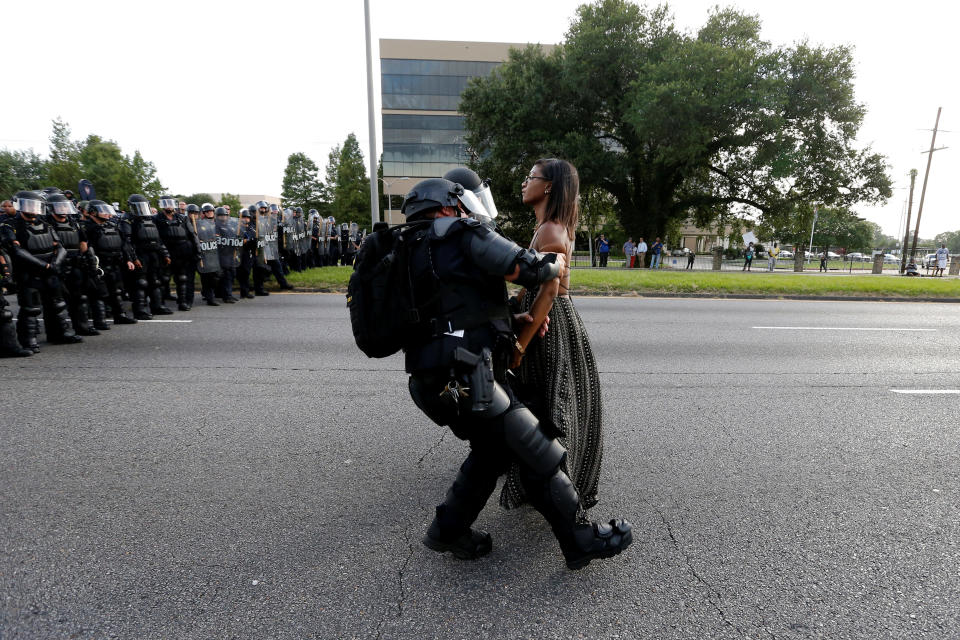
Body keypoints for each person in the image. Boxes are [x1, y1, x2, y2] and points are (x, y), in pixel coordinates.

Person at [399, 176, 632, 570]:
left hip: (429, 379)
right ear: (446, 205)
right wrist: (557, 261)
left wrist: (508, 316)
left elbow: (450, 306)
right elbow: (528, 266)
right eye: (460, 203)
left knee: (492, 451)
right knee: (537, 449)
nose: (464, 210)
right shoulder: (457, 234)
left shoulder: (410, 247)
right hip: (470, 375)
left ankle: (447, 530)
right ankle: (578, 539)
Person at [504, 157, 606, 510]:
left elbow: (548, 291)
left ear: (548, 186)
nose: (524, 182)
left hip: (551, 322)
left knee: (547, 404)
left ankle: (552, 485)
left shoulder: (550, 230)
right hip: (545, 316)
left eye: (530, 177)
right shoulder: (549, 227)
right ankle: (545, 478)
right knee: (546, 402)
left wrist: (520, 343)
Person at [1, 191, 83, 351]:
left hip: (50, 270)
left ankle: (60, 333)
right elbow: (17, 251)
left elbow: (60, 246)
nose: (32, 208)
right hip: (28, 271)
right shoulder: (10, 225)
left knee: (58, 303)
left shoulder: (46, 224)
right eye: (28, 204)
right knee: (31, 308)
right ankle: (28, 339)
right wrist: (44, 266)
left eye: (34, 204)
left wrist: (55, 264)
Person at [84, 200, 139, 326]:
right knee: (99, 293)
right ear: (93, 212)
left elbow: (123, 244)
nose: (106, 214)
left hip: (114, 263)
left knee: (116, 291)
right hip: (99, 265)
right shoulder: (87, 228)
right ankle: (100, 321)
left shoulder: (112, 225)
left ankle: (120, 316)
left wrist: (128, 260)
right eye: (102, 211)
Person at [124, 194, 173, 318]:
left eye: (143, 206)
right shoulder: (128, 220)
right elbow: (127, 242)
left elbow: (158, 239)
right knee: (140, 283)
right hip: (140, 254)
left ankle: (157, 306)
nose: (141, 209)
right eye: (138, 206)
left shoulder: (150, 219)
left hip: (154, 254)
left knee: (155, 281)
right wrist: (134, 258)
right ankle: (139, 310)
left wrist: (165, 254)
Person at [155, 196, 201, 311]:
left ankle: (182, 302)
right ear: (161, 205)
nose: (169, 206)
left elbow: (192, 235)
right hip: (166, 254)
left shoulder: (182, 218)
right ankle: (159, 305)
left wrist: (198, 251)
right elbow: (156, 238)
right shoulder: (156, 219)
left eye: (170, 203)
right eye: (166, 204)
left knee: (182, 279)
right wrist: (164, 253)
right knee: (163, 279)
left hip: (182, 253)